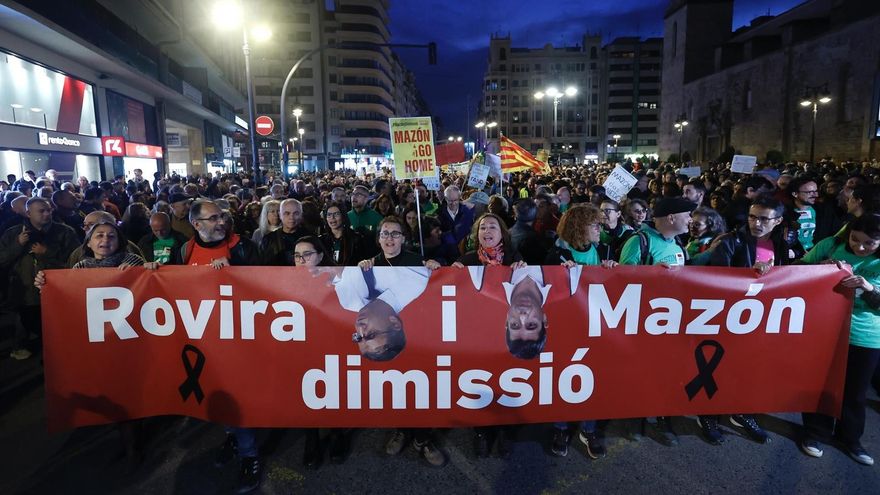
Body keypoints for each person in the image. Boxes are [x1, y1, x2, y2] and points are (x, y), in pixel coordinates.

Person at [314, 216, 446, 466]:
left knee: (418, 393)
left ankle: (422, 437)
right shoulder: (416, 278)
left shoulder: (350, 297)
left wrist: (437, 268)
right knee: (405, 392)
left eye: (394, 234)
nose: (389, 238)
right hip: (419, 345)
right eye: (386, 233)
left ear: (403, 238)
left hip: (421, 352)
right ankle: (407, 432)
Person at [182, 200, 262, 492]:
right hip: (206, 339)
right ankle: (233, 436)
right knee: (219, 394)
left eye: (221, 216)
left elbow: (266, 287)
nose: (221, 221)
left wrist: (234, 273)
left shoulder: (243, 247)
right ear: (197, 224)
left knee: (237, 397)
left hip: (240, 337)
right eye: (213, 218)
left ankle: (249, 454)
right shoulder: (186, 250)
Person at [799, 214, 880, 465]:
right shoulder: (830, 245)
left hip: (866, 336)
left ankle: (851, 439)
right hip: (825, 328)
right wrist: (822, 266)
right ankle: (815, 433)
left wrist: (868, 288)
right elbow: (796, 271)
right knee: (820, 385)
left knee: (855, 391)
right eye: (855, 240)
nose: (860, 247)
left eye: (869, 244)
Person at [619, 197, 696, 445]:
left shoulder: (679, 245)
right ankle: (635, 418)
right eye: (687, 215)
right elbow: (620, 280)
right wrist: (649, 275)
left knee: (668, 373)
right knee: (639, 372)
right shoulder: (639, 241)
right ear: (672, 218)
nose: (691, 220)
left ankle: (664, 418)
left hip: (671, 324)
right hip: (642, 323)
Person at [544, 204, 615, 459]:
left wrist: (612, 271)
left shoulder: (605, 251)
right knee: (565, 377)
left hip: (596, 328)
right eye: (594, 225)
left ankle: (589, 428)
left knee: (591, 378)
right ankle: (561, 428)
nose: (600, 229)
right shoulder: (556, 255)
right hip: (566, 329)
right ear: (579, 227)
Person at [292, 236, 353, 468]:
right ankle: (312, 437)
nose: (301, 260)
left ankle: (337, 432)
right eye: (297, 256)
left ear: (319, 255)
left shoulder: (337, 278)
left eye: (307, 255)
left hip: (331, 346)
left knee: (333, 390)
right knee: (306, 392)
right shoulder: (284, 280)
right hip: (302, 347)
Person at [0, 197, 79, 360]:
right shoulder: (14, 233)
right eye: (41, 211)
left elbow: (75, 261)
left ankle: (57, 353)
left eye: (49, 210)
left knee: (57, 322)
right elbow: (2, 259)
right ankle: (20, 346)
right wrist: (17, 245)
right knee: (25, 318)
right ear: (28, 213)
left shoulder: (65, 232)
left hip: (57, 287)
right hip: (25, 287)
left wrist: (46, 254)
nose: (47, 214)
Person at [259, 199, 313, 266]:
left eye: (296, 213)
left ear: (301, 215)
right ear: (280, 215)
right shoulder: (268, 239)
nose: (291, 217)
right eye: (287, 213)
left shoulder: (311, 238)